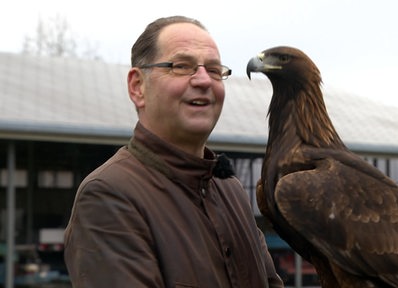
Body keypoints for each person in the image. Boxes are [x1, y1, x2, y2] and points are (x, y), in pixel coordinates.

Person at [64, 16, 284, 288]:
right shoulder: (109, 195)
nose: (204, 80)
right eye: (181, 66)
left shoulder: (232, 192)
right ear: (137, 87)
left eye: (215, 70)